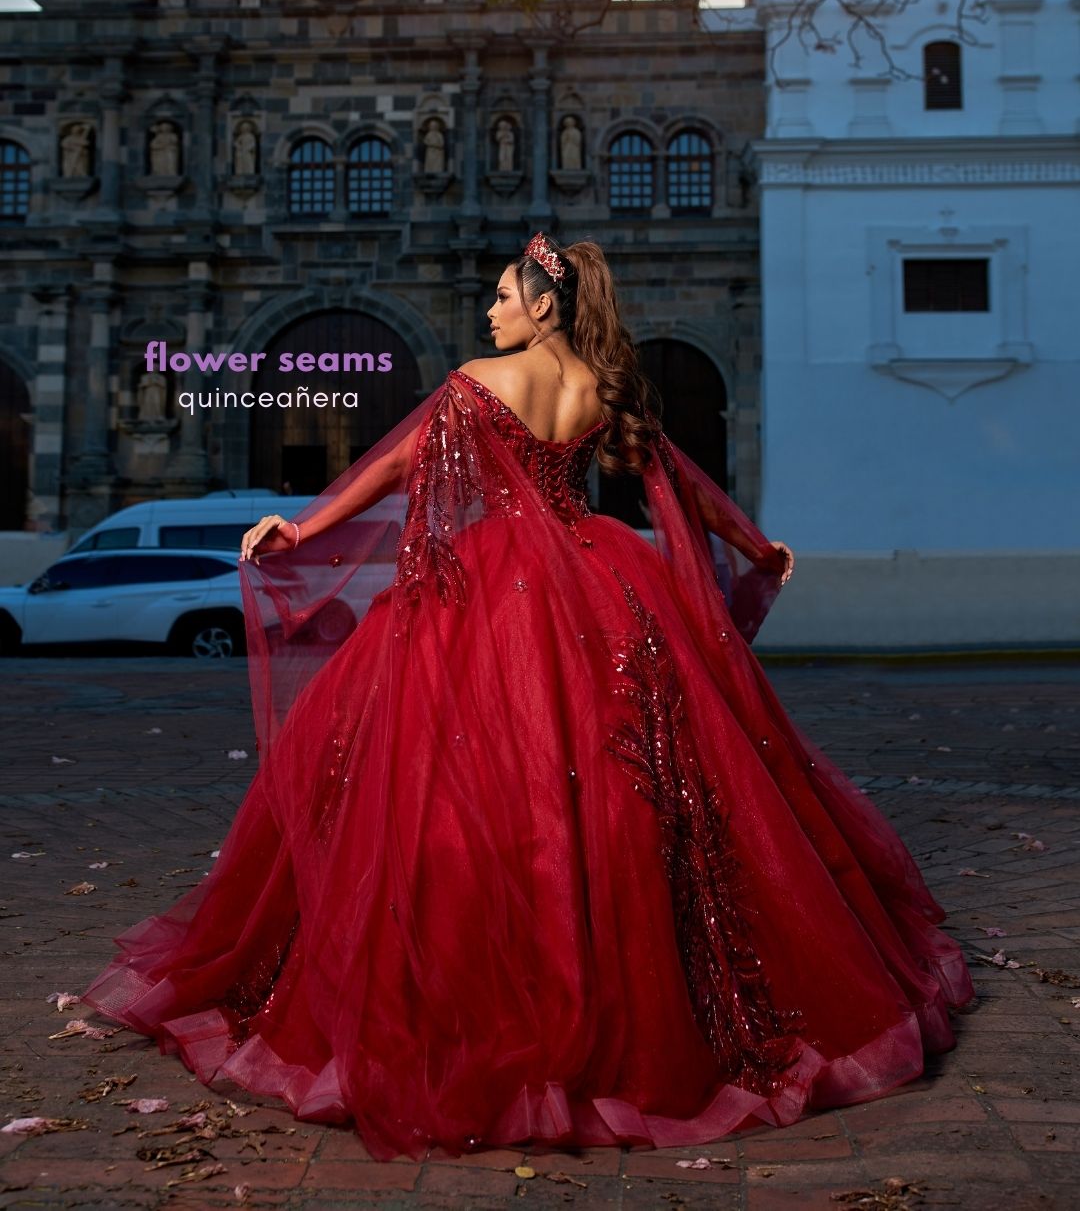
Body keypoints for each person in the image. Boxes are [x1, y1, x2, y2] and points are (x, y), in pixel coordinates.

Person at [79, 234, 973, 1164]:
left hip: (496, 589)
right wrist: (753, 545)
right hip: (603, 578)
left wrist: (304, 523)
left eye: (504, 296)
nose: (492, 311)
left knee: (482, 782)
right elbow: (680, 485)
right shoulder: (604, 386)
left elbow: (396, 465)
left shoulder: (478, 380)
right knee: (629, 780)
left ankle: (501, 994)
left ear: (544, 303)